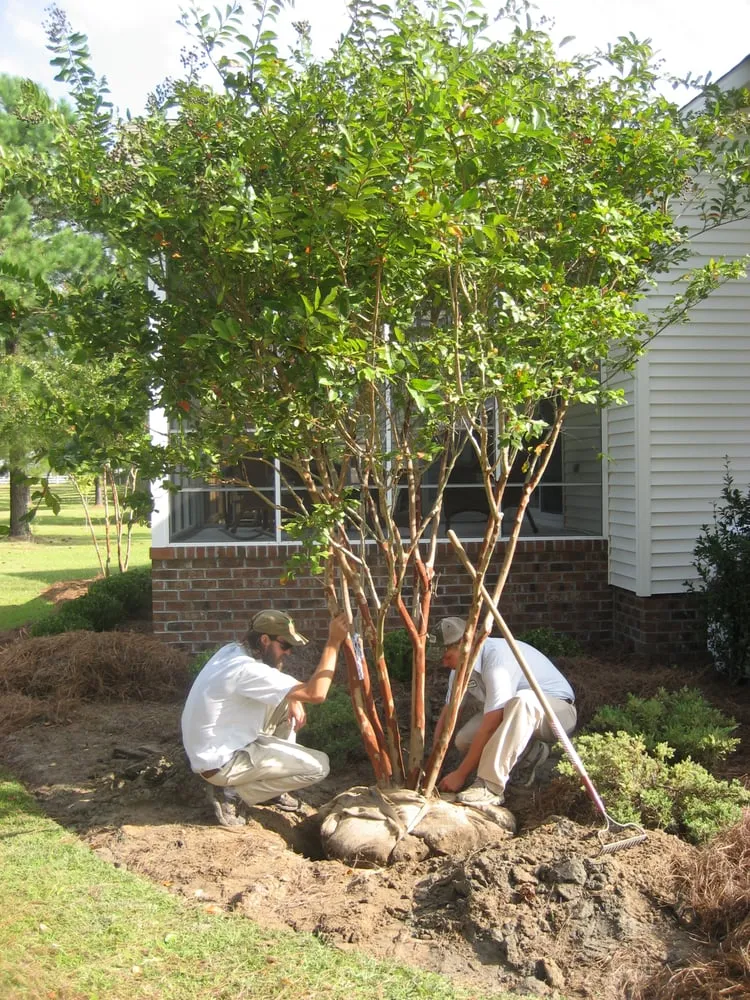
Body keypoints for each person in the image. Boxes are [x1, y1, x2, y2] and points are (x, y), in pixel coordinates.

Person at [182, 608, 349, 826]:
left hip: (213, 749)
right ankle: (234, 795)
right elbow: (316, 694)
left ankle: (270, 786)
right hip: (220, 764)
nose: (288, 652)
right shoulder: (247, 670)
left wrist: (293, 699)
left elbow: (274, 679)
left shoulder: (232, 652)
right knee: (319, 767)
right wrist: (333, 642)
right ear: (264, 640)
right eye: (285, 645)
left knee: (284, 700)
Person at [431, 616, 577, 807]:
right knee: (464, 739)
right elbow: (448, 712)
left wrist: (461, 774)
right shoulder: (458, 669)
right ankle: (532, 753)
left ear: (464, 644)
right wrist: (432, 763)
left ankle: (490, 785)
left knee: (523, 700)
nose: (444, 663)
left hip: (556, 713)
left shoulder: (496, 657)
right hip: (517, 714)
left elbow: (492, 723)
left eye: (447, 656)